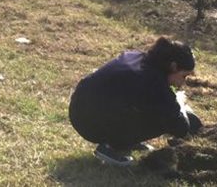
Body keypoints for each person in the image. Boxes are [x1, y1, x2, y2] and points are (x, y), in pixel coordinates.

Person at [69, 36, 202, 166]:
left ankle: (124, 140)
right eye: (183, 76)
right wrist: (180, 102)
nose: (183, 82)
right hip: (89, 124)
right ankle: (110, 146)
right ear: (173, 66)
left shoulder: (136, 57)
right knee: (162, 119)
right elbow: (180, 128)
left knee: (150, 109)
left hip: (78, 108)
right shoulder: (155, 84)